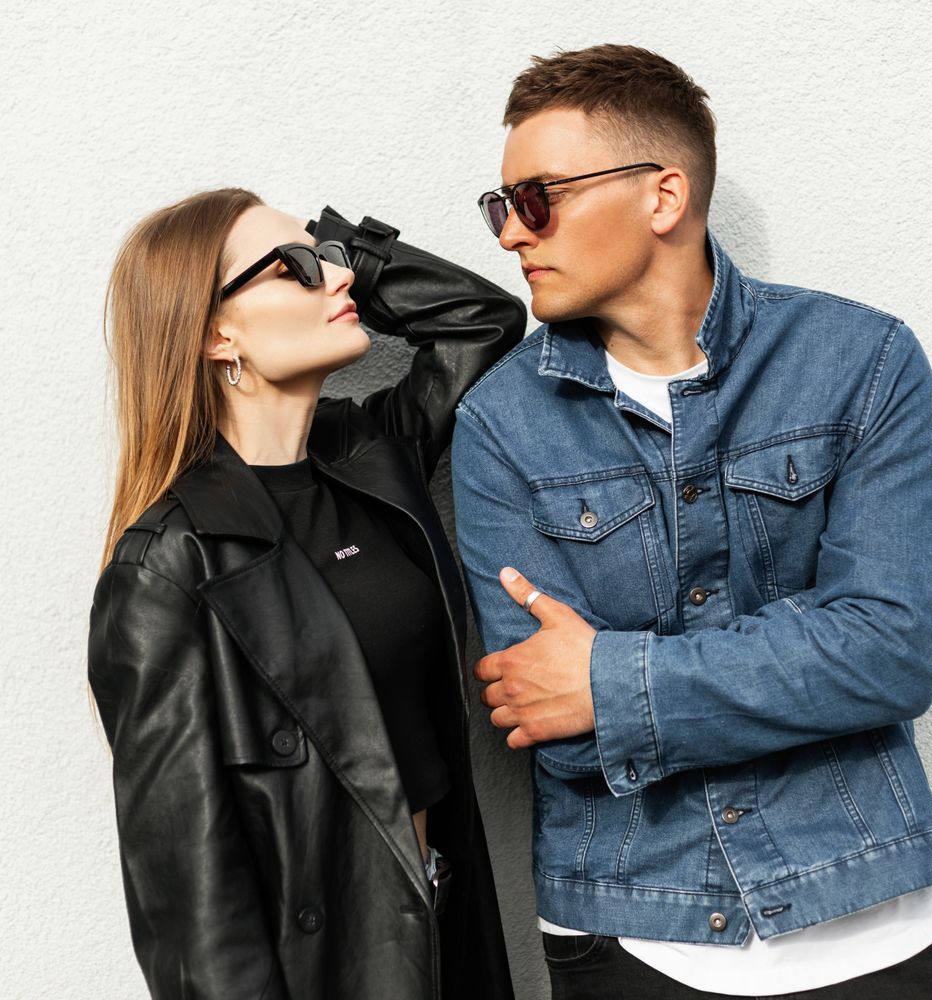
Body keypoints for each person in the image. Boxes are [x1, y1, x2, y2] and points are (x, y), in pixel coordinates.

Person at [452, 44, 932, 1000]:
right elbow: (551, 720)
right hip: (629, 936)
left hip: (870, 928)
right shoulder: (499, 423)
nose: (510, 235)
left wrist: (615, 676)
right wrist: (797, 660)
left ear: (662, 197)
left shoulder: (861, 361)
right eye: (500, 207)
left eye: (535, 199)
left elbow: (892, 651)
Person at [88, 188, 524, 999]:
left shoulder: (369, 454)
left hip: (450, 921)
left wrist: (341, 250)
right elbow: (191, 907)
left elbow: (483, 321)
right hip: (333, 969)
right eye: (292, 267)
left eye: (325, 260)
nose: (331, 278)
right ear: (217, 334)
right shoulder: (168, 566)